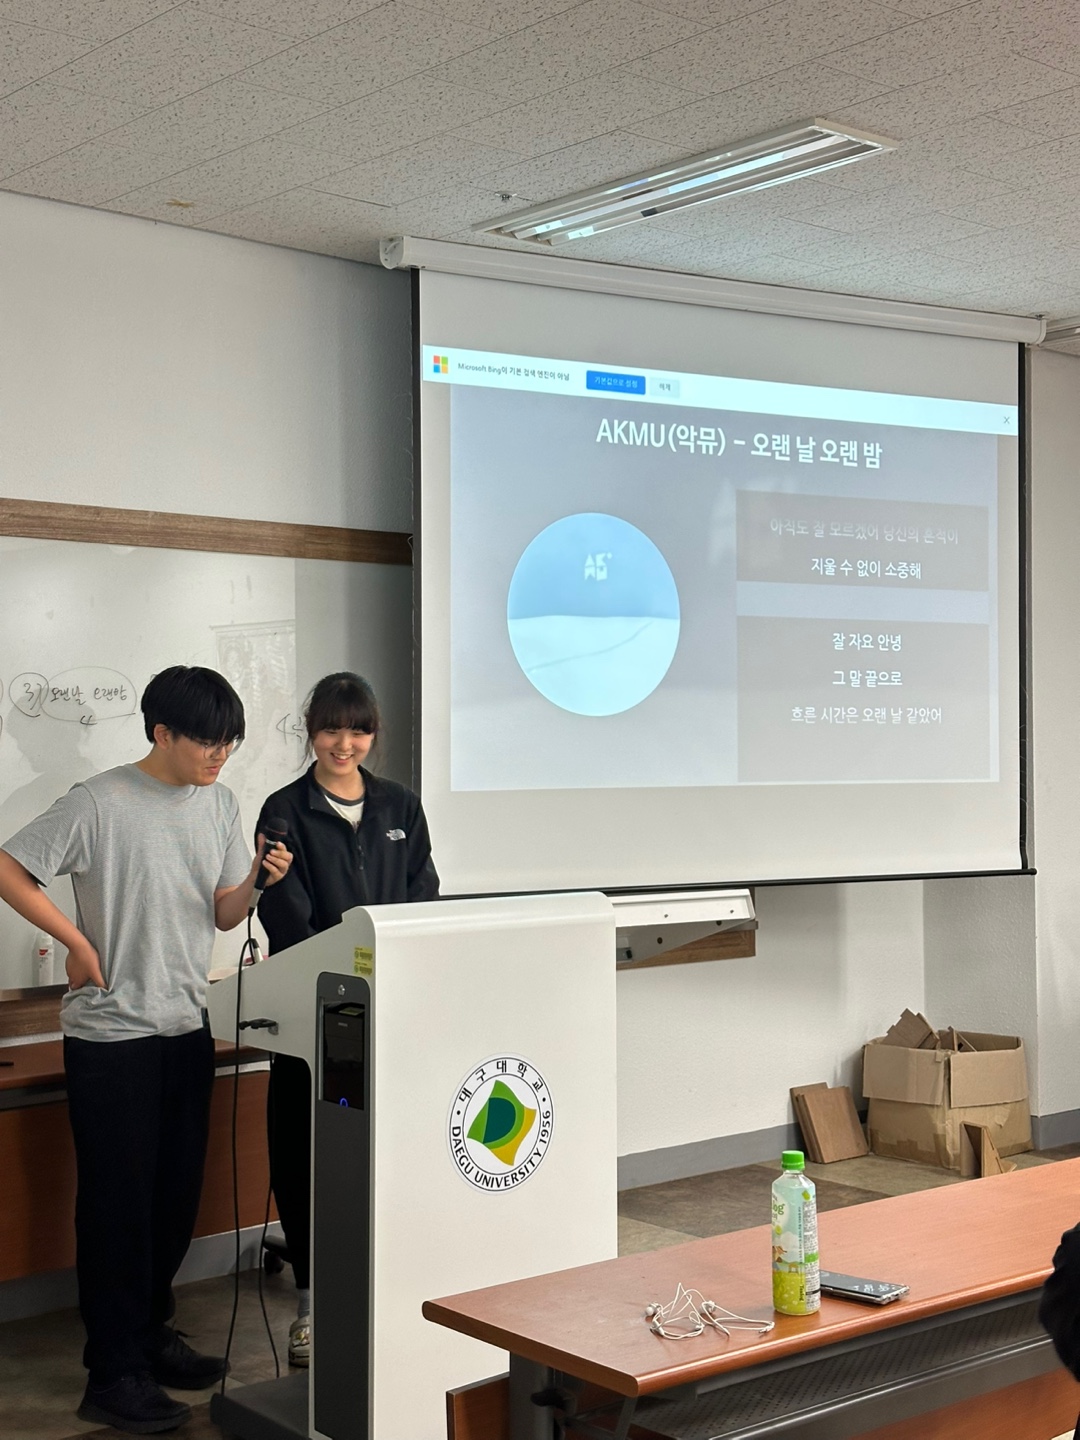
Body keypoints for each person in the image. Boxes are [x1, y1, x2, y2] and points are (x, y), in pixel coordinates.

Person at [0, 666, 292, 1435]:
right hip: (112, 1036)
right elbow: (8, 867)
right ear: (161, 732)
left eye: (230, 742)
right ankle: (112, 1372)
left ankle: (150, 1336)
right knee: (117, 1209)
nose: (220, 755)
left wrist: (257, 882)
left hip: (185, 1026)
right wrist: (75, 941)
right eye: (207, 741)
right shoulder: (99, 802)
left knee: (173, 1201)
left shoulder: (219, 803)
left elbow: (223, 913)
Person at [255, 672, 438, 1366]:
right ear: (312, 732)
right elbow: (286, 917)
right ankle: (311, 1304)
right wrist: (344, 977)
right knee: (307, 1159)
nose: (344, 743)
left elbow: (423, 893)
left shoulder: (400, 806)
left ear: (372, 734)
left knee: (387, 1155)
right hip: (314, 1017)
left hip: (393, 1013)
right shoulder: (285, 810)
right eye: (331, 729)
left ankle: (390, 1293)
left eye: (358, 730)